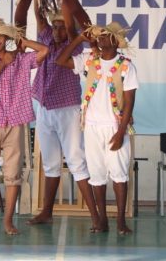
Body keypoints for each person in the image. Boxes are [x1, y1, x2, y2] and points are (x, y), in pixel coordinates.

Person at [55, 22, 138, 235]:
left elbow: (129, 103)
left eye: (105, 36)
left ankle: (120, 221)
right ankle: (102, 220)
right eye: (99, 36)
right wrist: (79, 40)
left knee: (119, 174)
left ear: (115, 42)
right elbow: (60, 60)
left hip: (114, 127)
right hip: (91, 127)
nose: (100, 39)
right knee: (97, 174)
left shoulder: (126, 66)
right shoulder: (88, 60)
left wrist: (120, 132)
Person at [26, 0, 102, 231]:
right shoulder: (47, 39)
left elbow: (70, 27)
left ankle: (96, 217)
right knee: (50, 163)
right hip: (44, 107)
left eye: (62, 26)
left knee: (76, 161)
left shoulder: (75, 46)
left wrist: (64, 2)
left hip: (67, 109)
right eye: (55, 26)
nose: (57, 30)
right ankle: (47, 212)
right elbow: (40, 17)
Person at [0, 17, 49, 236]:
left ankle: (8, 222)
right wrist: (3, 63)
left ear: (7, 38)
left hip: (15, 122)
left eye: (0, 35)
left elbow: (44, 51)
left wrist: (25, 42)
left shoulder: (21, 59)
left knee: (13, 174)